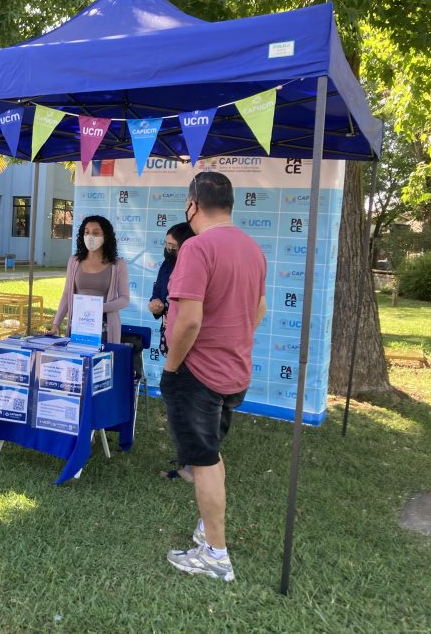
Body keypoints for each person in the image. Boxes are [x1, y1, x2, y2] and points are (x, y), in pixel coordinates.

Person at [160, 171, 267, 582]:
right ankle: (210, 527)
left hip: (197, 373)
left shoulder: (197, 247)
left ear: (193, 203)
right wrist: (233, 339)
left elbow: (187, 321)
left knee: (202, 460)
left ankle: (215, 556)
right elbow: (258, 310)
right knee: (213, 451)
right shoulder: (252, 249)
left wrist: (172, 367)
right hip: (234, 372)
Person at [148, 222, 196, 482]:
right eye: (166, 245)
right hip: (170, 338)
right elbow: (158, 297)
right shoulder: (167, 265)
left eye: (173, 247)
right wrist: (155, 305)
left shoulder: (197, 268)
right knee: (177, 402)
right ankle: (186, 457)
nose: (168, 251)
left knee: (186, 402)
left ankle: (192, 464)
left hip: (190, 343)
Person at [48, 215, 130, 344]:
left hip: (105, 329)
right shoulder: (74, 261)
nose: (90, 236)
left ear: (106, 236)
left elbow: (124, 300)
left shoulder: (118, 265)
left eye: (96, 233)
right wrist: (56, 323)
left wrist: (98, 308)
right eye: (86, 232)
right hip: (78, 326)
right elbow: (66, 294)